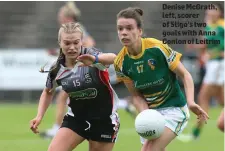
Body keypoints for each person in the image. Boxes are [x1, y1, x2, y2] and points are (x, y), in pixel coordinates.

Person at [114, 7, 209, 151]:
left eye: (129, 28)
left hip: (174, 109)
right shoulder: (120, 62)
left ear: (139, 31)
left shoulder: (157, 48)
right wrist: (146, 115)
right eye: (120, 29)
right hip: (151, 113)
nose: (124, 33)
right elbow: (136, 96)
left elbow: (185, 75)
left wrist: (191, 102)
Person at [30, 22, 120, 151]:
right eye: (67, 43)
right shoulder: (57, 69)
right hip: (76, 119)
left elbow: (114, 58)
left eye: (76, 42)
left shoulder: (90, 55)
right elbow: (48, 92)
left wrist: (95, 60)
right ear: (60, 43)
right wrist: (39, 116)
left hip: (104, 120)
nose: (72, 47)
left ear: (81, 42)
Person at [40, 2, 96, 138]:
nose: (59, 17)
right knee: (66, 97)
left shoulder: (77, 29)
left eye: (61, 15)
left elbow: (90, 43)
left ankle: (57, 128)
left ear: (67, 17)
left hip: (80, 69)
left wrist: (82, 56)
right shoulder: (70, 30)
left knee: (62, 97)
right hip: (77, 69)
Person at [179, 3, 224, 141]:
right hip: (212, 65)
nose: (209, 16)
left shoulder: (222, 26)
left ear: (219, 13)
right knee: (219, 99)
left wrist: (215, 53)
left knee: (204, 97)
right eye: (208, 14)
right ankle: (195, 134)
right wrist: (196, 46)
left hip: (219, 65)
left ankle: (195, 134)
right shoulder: (209, 27)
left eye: (212, 13)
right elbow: (206, 45)